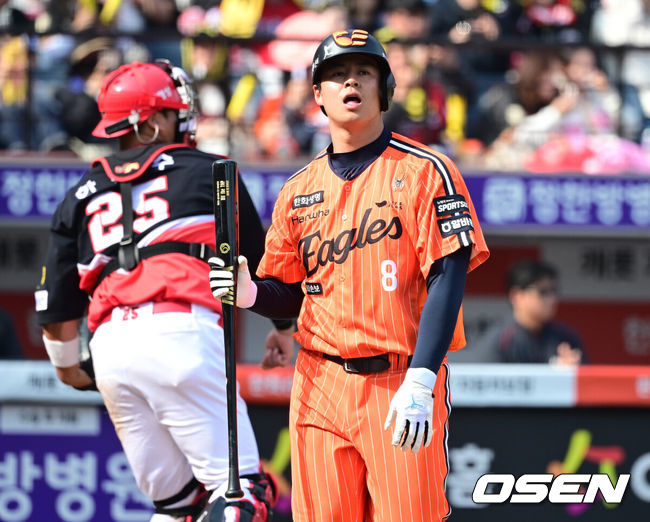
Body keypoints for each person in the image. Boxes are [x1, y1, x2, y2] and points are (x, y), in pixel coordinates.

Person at [209, 29, 490, 521]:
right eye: (337, 74)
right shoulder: (297, 189)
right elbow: (290, 293)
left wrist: (423, 378)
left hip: (398, 377)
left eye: (364, 72)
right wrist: (251, 294)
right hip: (318, 382)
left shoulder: (427, 169)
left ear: (385, 89)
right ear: (318, 95)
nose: (351, 82)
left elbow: (448, 279)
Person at [34, 60, 293, 521]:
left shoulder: (80, 192)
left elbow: (55, 307)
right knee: (243, 492)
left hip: (109, 350)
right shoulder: (211, 170)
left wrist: (70, 370)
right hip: (181, 333)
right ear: (152, 123)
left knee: (178, 506)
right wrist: (283, 327)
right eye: (175, 112)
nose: (185, 120)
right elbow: (261, 263)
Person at [472, 259, 585, 365]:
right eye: (543, 292)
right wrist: (554, 374)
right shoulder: (501, 341)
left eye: (553, 291)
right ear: (517, 296)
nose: (552, 299)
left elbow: (588, 376)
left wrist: (573, 373)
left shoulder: (565, 337)